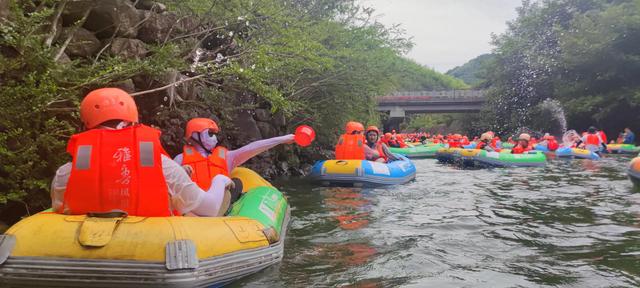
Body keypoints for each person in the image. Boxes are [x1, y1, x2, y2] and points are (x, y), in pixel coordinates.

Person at [51, 88, 228, 217]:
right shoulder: (164, 167)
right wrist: (220, 180)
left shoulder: (65, 173)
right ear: (132, 122)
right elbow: (210, 209)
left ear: (84, 127)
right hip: (152, 251)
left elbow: (61, 213)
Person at [173, 118, 295, 191]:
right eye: (210, 133)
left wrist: (283, 139)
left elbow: (252, 148)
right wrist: (180, 172)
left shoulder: (227, 157)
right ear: (195, 136)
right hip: (193, 207)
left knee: (237, 186)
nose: (214, 138)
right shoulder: (180, 159)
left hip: (219, 206)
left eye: (215, 134)